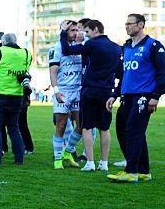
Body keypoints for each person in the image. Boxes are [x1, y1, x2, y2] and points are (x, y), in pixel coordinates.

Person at [107, 14, 164, 182]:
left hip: (143, 97)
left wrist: (155, 96)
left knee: (133, 132)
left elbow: (163, 73)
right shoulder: (126, 47)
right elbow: (125, 75)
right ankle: (144, 171)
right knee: (127, 131)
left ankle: (131, 172)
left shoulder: (153, 46)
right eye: (125, 24)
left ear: (141, 25)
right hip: (127, 97)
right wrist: (115, 94)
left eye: (130, 24)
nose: (127, 27)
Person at [62, 19, 122, 171]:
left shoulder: (91, 44)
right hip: (107, 91)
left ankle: (90, 162)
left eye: (87, 32)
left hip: (90, 90)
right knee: (104, 128)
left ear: (96, 29)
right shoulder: (116, 48)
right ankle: (104, 163)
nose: (86, 35)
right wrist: (115, 93)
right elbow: (121, 72)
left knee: (87, 126)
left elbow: (67, 50)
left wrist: (63, 32)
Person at [0, 33, 31, 165]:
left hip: (0, 94)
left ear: (3, 42)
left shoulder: (1, 51)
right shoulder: (26, 53)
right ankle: (19, 158)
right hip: (17, 95)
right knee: (14, 127)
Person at [50, 21, 84, 168]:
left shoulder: (80, 47)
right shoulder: (56, 48)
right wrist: (56, 91)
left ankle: (68, 152)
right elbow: (53, 71)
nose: (75, 33)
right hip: (64, 91)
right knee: (61, 125)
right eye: (72, 30)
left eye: (77, 30)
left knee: (82, 124)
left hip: (78, 90)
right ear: (64, 31)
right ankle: (58, 159)